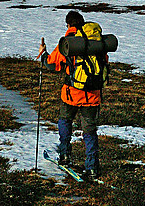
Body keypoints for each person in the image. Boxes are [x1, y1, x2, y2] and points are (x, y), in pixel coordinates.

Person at [38, 10, 103, 179]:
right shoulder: (95, 42)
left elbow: (52, 64)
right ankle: (92, 168)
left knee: (65, 121)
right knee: (89, 132)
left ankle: (65, 155)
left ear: (68, 24)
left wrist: (44, 55)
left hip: (71, 94)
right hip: (93, 95)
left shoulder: (67, 42)